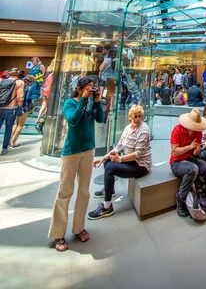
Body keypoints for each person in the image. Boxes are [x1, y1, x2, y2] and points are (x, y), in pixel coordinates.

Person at [48, 77, 104, 251]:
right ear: (79, 89)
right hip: (72, 152)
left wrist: (96, 103)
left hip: (89, 150)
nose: (90, 90)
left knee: (84, 192)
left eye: (92, 88)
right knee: (65, 192)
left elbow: (100, 118)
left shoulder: (90, 103)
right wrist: (83, 101)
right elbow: (73, 120)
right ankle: (58, 232)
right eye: (87, 88)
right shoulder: (70, 103)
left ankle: (79, 227)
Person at [88, 104, 151, 219]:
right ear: (130, 117)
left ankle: (107, 207)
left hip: (140, 164)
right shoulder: (128, 128)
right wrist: (104, 157)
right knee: (108, 162)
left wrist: (120, 159)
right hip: (129, 160)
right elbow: (119, 146)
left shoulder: (144, 130)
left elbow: (138, 154)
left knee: (110, 167)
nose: (137, 119)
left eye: (139, 116)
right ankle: (109, 189)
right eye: (135, 117)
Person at [170, 108, 206, 217]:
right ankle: (181, 200)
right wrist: (189, 147)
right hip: (177, 162)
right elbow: (174, 152)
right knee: (193, 168)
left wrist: (196, 151)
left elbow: (194, 152)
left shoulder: (198, 132)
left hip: (191, 158)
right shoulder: (177, 130)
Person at [0, 68, 24, 155]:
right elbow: (20, 97)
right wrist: (20, 108)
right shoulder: (19, 82)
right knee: (8, 129)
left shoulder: (2, 81)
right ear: (17, 74)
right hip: (11, 109)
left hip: (1, 107)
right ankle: (5, 148)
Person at [10, 74, 36, 147]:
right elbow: (28, 98)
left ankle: (9, 139)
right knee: (20, 125)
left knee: (16, 123)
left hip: (17, 106)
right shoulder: (29, 88)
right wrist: (32, 101)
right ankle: (13, 141)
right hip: (24, 108)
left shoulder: (20, 86)